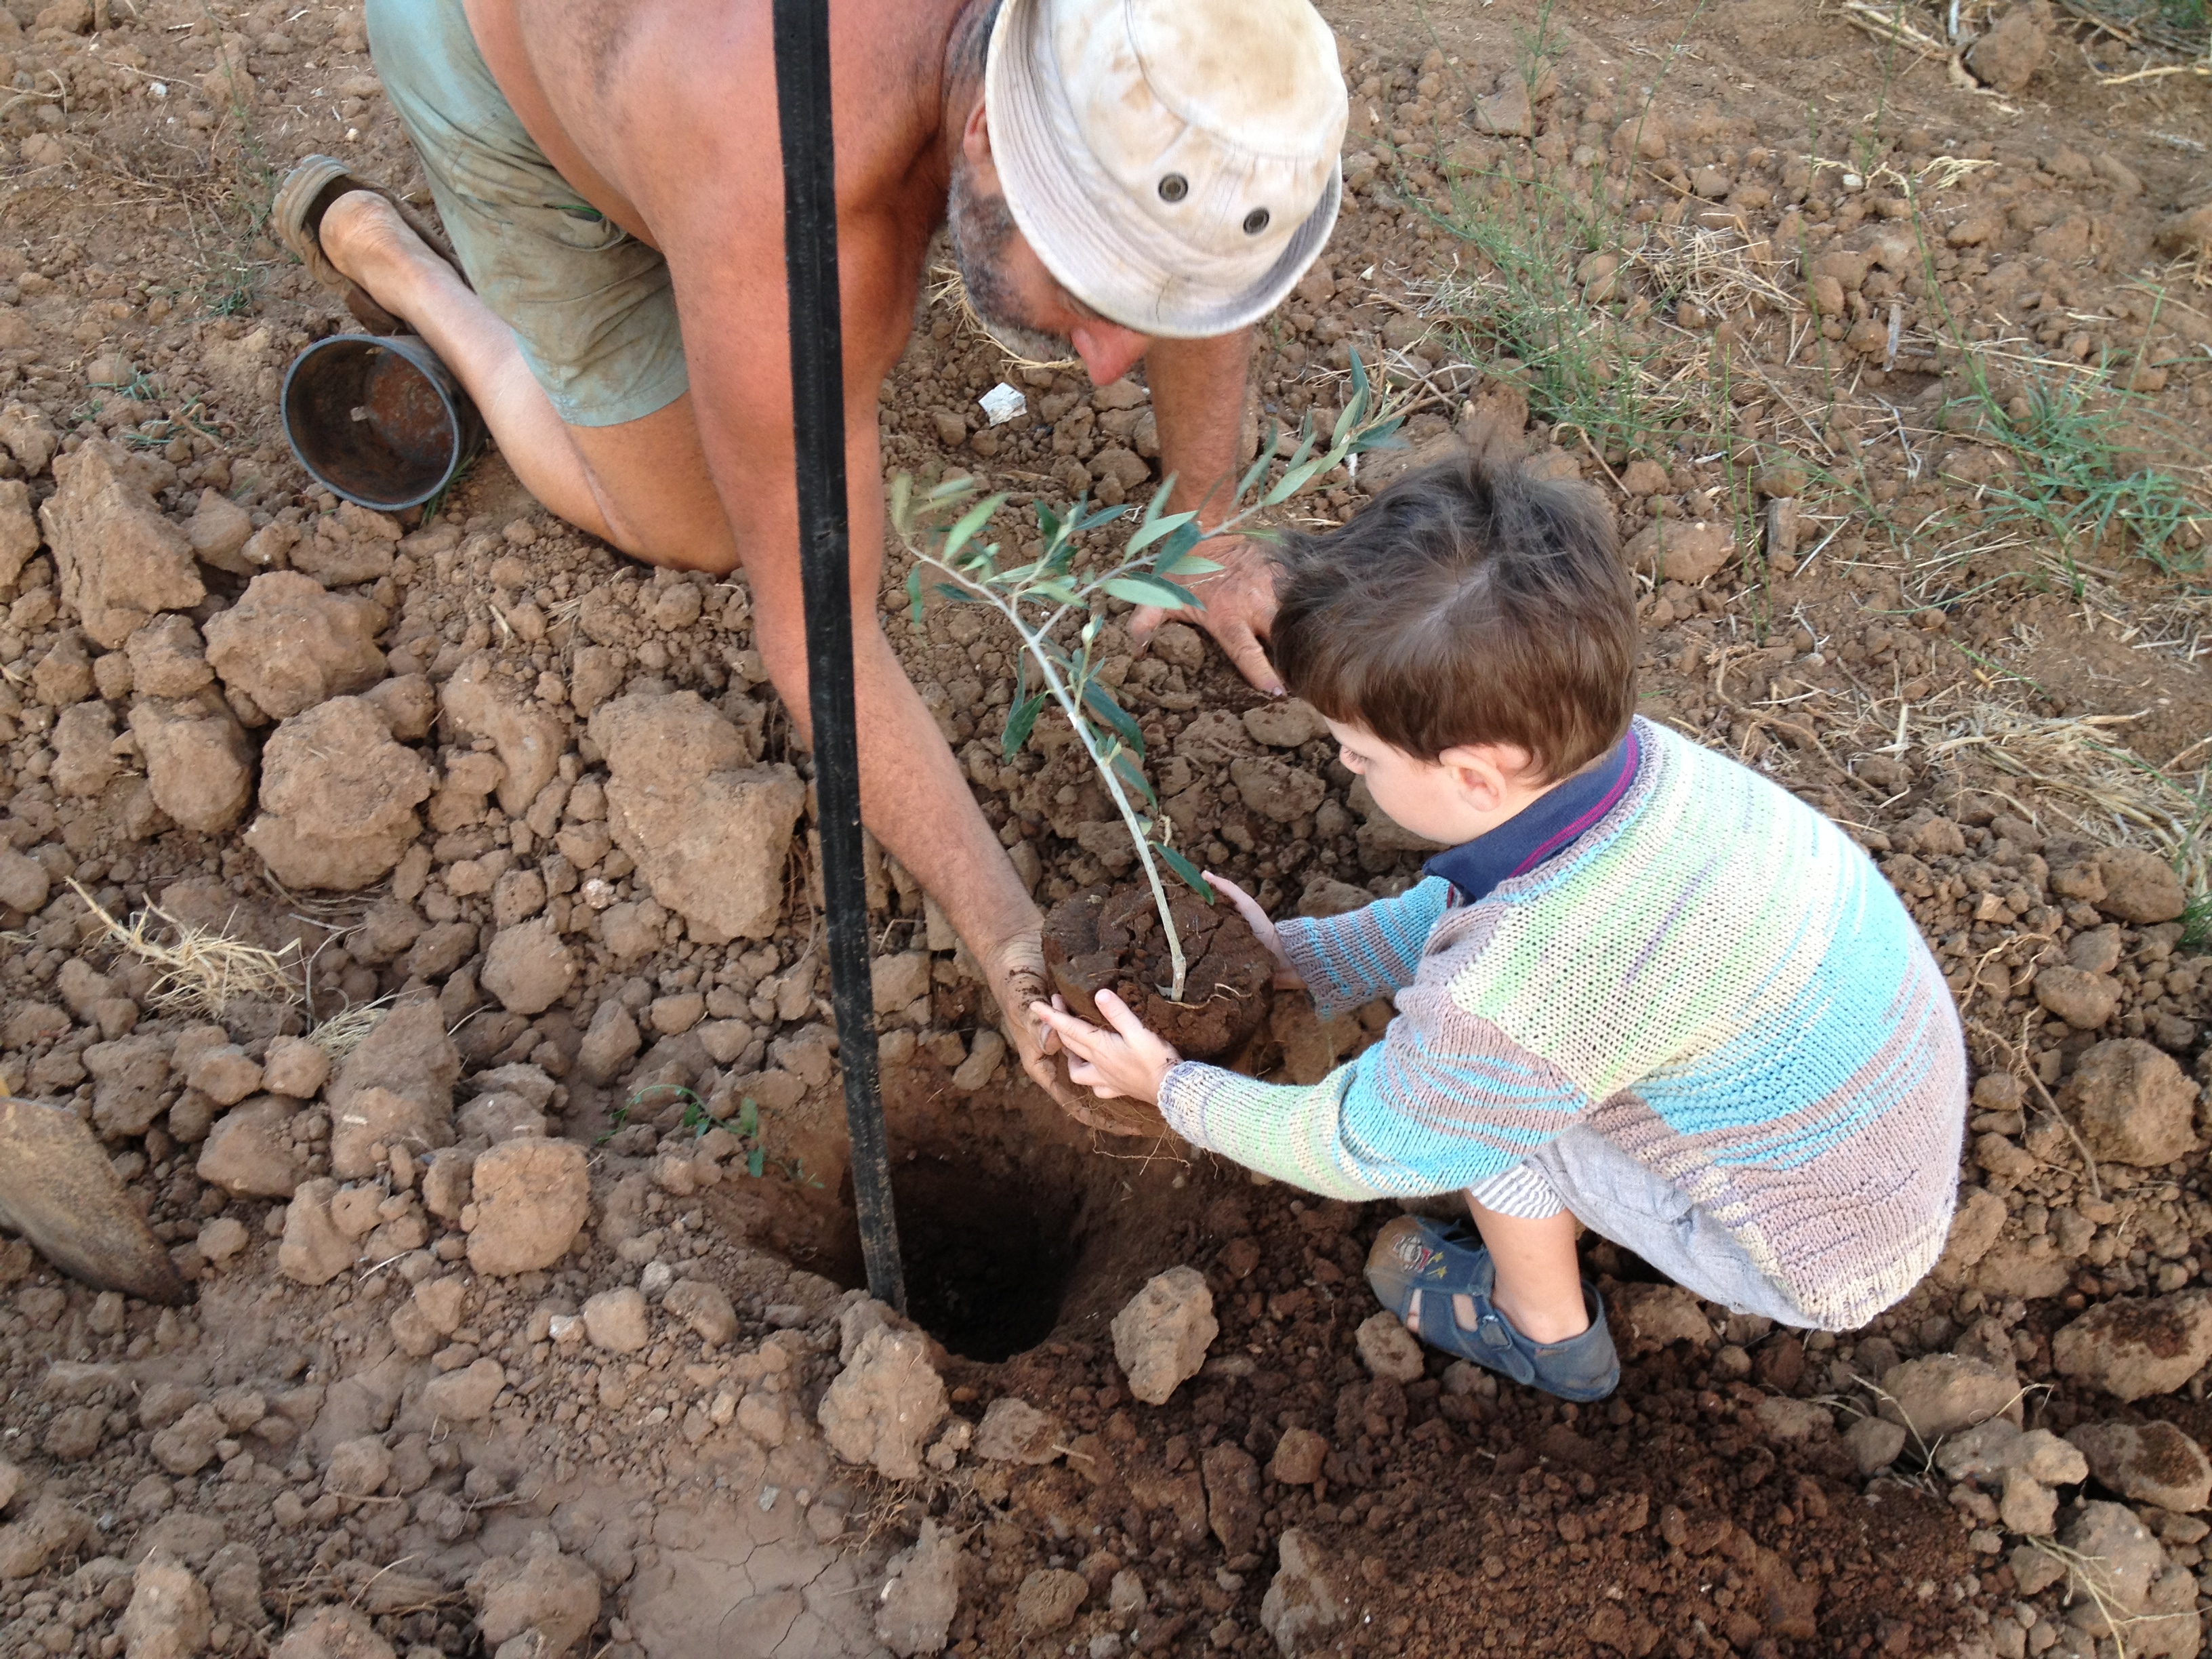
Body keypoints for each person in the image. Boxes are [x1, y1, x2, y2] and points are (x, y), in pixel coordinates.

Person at [270, 0, 1349, 1104]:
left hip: (718, 110)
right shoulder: (784, 214)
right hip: (497, 57)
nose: (1113, 365)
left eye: (1142, 303)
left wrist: (1206, 531)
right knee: (693, 524)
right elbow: (820, 639)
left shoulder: (1157, 47)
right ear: (988, 135)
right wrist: (1005, 933)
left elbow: (1199, 256)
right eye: (1089, 294)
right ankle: (401, 265)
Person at [1033, 451, 1969, 1400]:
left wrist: (1172, 1089)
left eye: (1358, 754)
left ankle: (1546, 1333)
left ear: (1476, 777)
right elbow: (1476, 917)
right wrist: (1296, 959)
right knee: (1502, 1065)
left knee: (1483, 1113)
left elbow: (1366, 1143)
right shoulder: (1640, 773)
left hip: (1806, 1250)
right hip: (1876, 1134)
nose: (1347, 768)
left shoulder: (1525, 992)